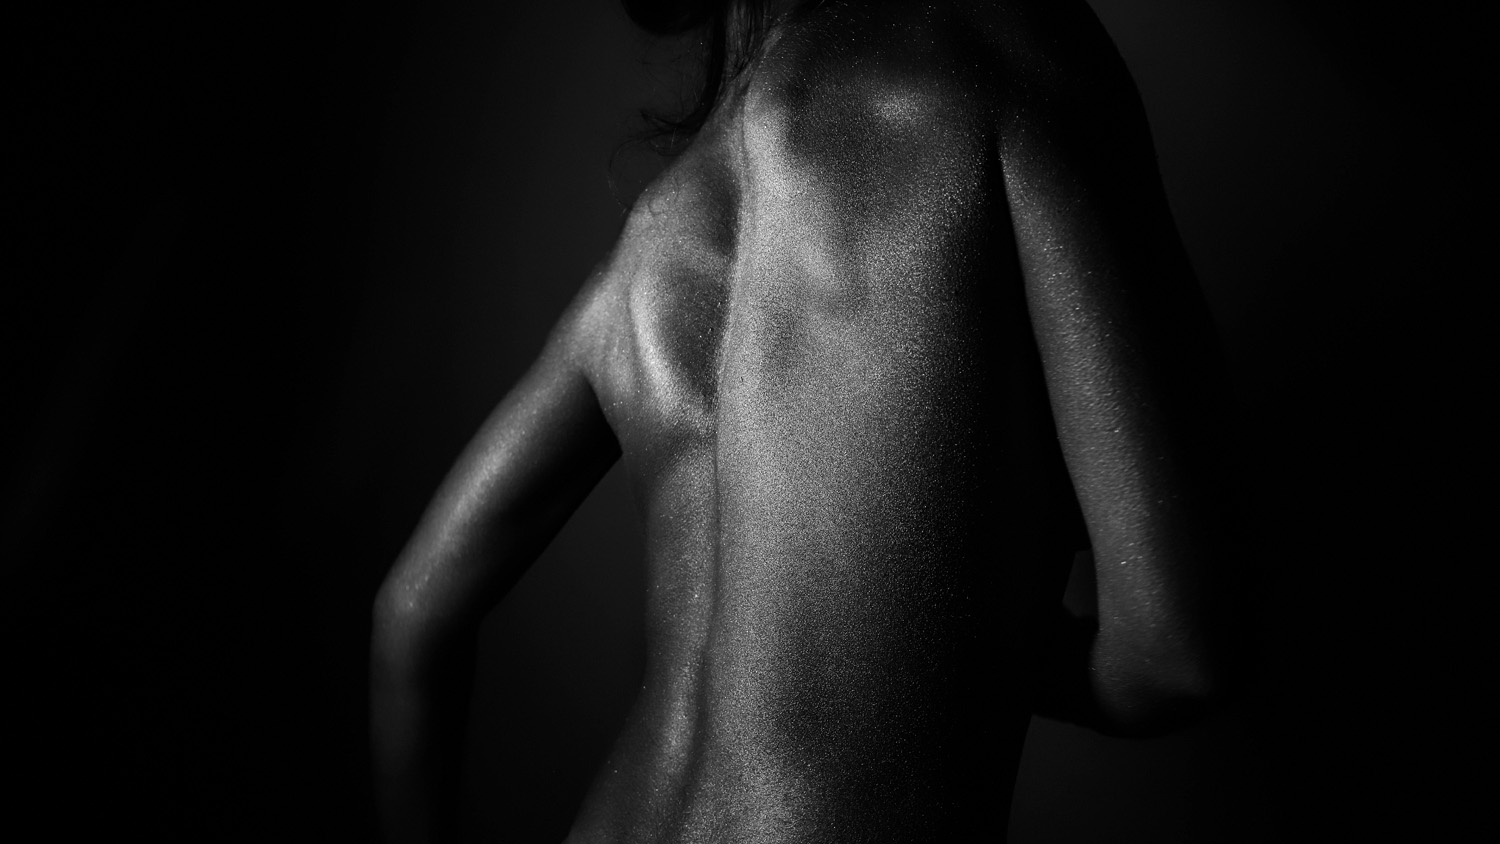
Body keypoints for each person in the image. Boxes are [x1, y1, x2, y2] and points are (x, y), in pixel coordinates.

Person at [371, 0, 1232, 840]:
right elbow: (1172, 654)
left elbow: (411, 614)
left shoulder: (647, 248)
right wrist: (959, 640)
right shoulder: (999, 50)